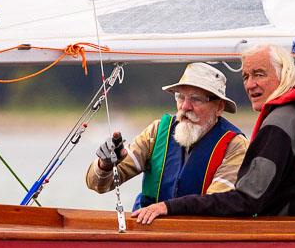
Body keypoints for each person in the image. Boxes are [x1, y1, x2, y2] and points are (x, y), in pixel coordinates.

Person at [133, 44, 295, 224]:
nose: (250, 84)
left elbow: (246, 200)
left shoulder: (280, 123)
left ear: (284, 74)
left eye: (259, 74)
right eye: (245, 76)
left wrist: (171, 206)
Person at [86, 62, 249, 210]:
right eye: (180, 97)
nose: (185, 107)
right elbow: (98, 185)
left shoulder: (235, 145)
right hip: (149, 232)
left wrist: (168, 208)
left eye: (196, 99)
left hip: (197, 237)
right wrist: (105, 164)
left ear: (219, 107)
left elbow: (217, 202)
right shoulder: (157, 132)